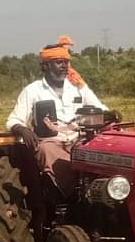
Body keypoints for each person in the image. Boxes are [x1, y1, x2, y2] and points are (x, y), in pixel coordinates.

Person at [6, 36, 108, 195]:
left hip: (81, 140)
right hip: (52, 142)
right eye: (58, 62)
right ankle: (68, 195)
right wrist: (23, 130)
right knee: (47, 150)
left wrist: (111, 114)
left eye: (66, 62)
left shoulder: (79, 87)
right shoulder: (33, 90)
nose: (64, 66)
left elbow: (100, 108)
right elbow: (14, 119)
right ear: (45, 66)